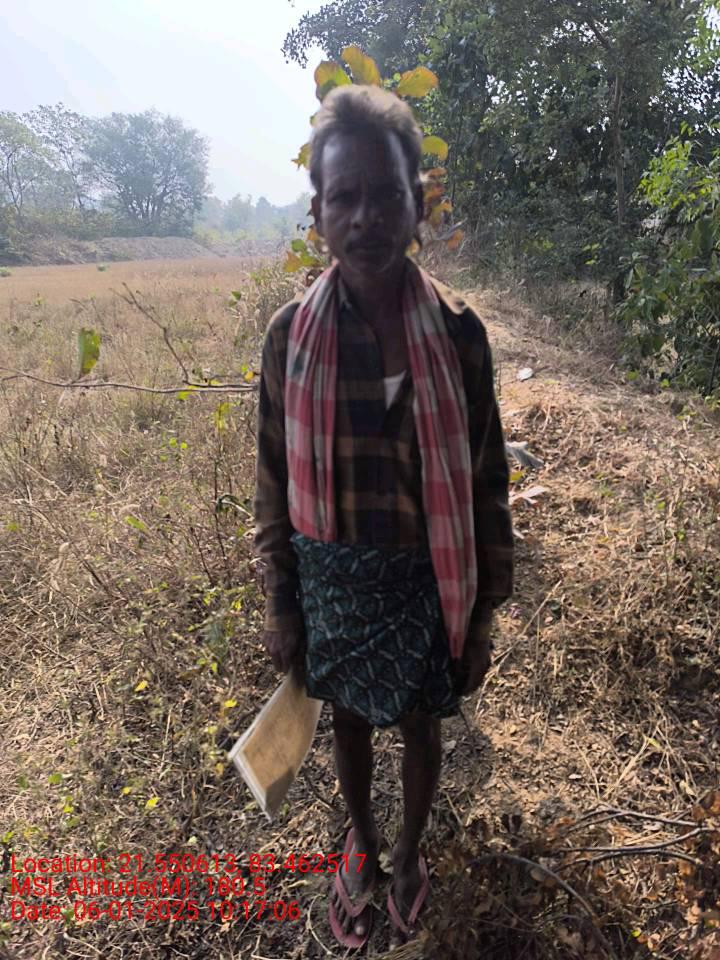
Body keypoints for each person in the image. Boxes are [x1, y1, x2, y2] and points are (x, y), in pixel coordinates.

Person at [254, 84, 513, 948]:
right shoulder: (289, 338)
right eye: (344, 197)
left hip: (427, 582)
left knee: (421, 722)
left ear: (418, 205)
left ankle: (408, 852)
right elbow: (272, 481)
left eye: (386, 194)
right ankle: (362, 841)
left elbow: (486, 482)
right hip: (333, 583)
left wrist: (481, 616)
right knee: (351, 721)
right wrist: (282, 603)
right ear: (319, 214)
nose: (365, 216)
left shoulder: (460, 335)